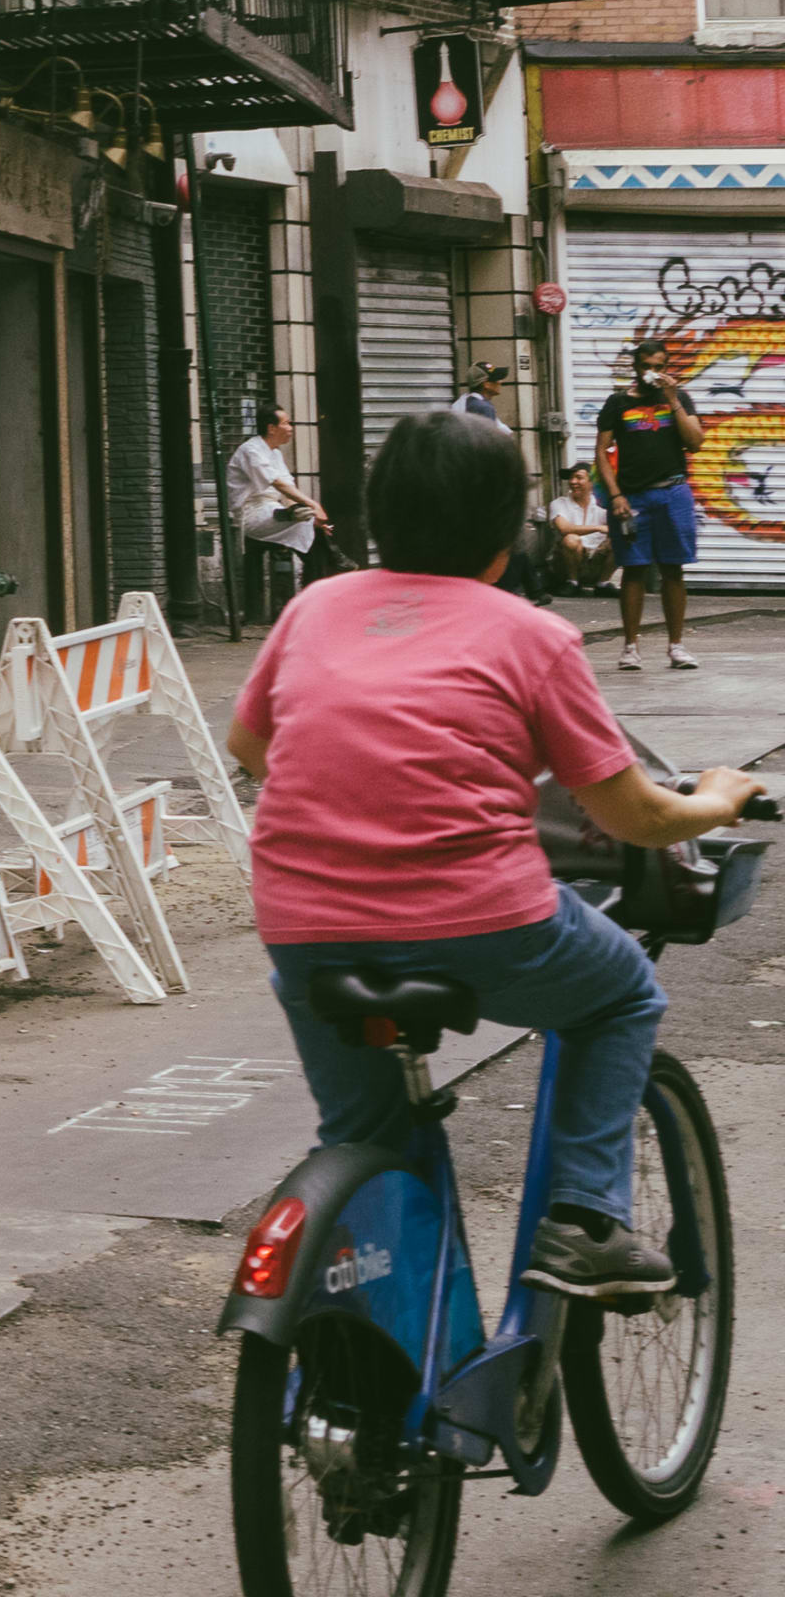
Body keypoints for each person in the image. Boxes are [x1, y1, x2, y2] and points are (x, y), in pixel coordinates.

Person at [225, 408, 766, 1300]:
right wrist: (717, 796)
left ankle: (381, 1373)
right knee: (623, 992)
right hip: (481, 922)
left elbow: (253, 750)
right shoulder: (533, 636)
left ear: (375, 514)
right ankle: (586, 1219)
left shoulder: (314, 606)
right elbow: (633, 816)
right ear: (506, 537)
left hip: (304, 928)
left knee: (367, 1137)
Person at [596, 334, 705, 672]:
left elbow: (696, 443)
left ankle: (676, 646)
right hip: (633, 497)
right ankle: (631, 648)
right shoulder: (618, 403)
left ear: (666, 368)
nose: (652, 373)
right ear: (635, 367)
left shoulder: (680, 397)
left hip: (673, 492)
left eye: (658, 367)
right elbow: (601, 451)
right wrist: (615, 496)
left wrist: (672, 399)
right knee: (635, 569)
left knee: (673, 569)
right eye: (646, 367)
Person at [225, 406, 336, 623]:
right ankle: (316, 598)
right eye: (286, 423)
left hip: (272, 510)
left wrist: (311, 514)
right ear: (271, 428)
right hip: (251, 515)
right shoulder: (251, 450)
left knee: (309, 523)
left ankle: (315, 599)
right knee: (307, 525)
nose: (290, 428)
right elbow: (275, 482)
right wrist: (313, 506)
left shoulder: (275, 453)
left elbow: (288, 489)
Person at [541, 464, 615, 598]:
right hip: (565, 565)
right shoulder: (559, 503)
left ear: (591, 482)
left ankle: (603, 584)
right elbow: (564, 528)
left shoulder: (603, 505)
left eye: (578, 478)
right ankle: (572, 582)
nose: (572, 482)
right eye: (571, 478)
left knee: (620, 540)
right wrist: (598, 528)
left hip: (596, 563)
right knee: (571, 539)